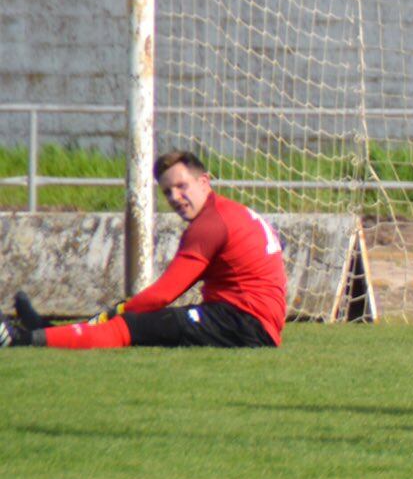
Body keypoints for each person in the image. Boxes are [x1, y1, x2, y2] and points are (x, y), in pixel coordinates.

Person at [4, 150, 287, 350]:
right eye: (167, 192)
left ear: (204, 181)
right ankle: (47, 332)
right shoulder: (227, 212)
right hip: (247, 319)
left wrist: (116, 312)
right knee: (142, 320)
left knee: (130, 325)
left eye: (181, 186)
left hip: (244, 322)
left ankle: (20, 339)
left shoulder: (211, 223)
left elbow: (162, 294)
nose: (175, 197)